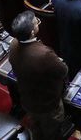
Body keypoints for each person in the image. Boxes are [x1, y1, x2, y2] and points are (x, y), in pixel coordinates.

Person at [8, 11, 70, 140]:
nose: (38, 23)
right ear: (32, 32)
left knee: (36, 128)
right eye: (36, 23)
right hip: (48, 104)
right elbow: (63, 71)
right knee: (52, 133)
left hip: (28, 100)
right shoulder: (43, 54)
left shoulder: (13, 44)